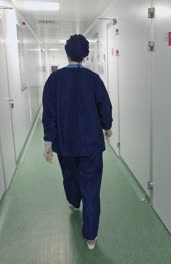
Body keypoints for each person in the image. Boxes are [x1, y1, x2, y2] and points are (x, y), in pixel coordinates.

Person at [42, 34, 113, 250]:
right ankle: (90, 237)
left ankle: (74, 201)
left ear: (67, 53)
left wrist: (48, 142)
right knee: (91, 189)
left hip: (65, 144)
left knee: (70, 177)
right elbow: (105, 106)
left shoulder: (54, 80)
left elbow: (49, 113)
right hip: (91, 144)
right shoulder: (93, 79)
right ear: (85, 55)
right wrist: (107, 127)